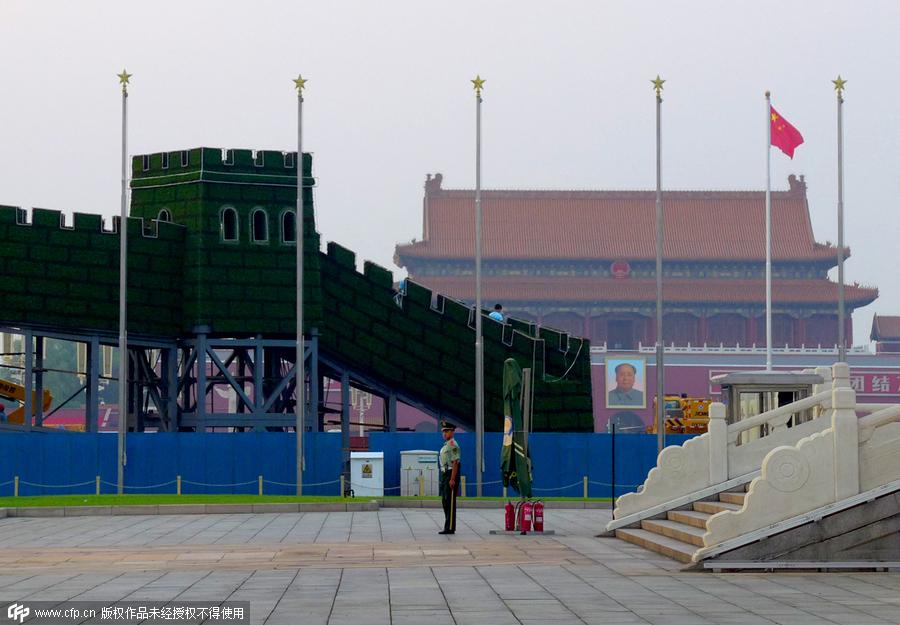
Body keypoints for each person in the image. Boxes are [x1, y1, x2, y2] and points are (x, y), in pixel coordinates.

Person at [438, 420, 461, 534]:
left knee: (450, 501)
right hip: (445, 474)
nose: (444, 433)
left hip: (450, 473)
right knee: (445, 501)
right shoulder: (446, 445)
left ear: (452, 432)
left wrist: (452, 479)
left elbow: (455, 462)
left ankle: (450, 527)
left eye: (446, 431)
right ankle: (447, 525)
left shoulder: (453, 445)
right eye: (443, 431)